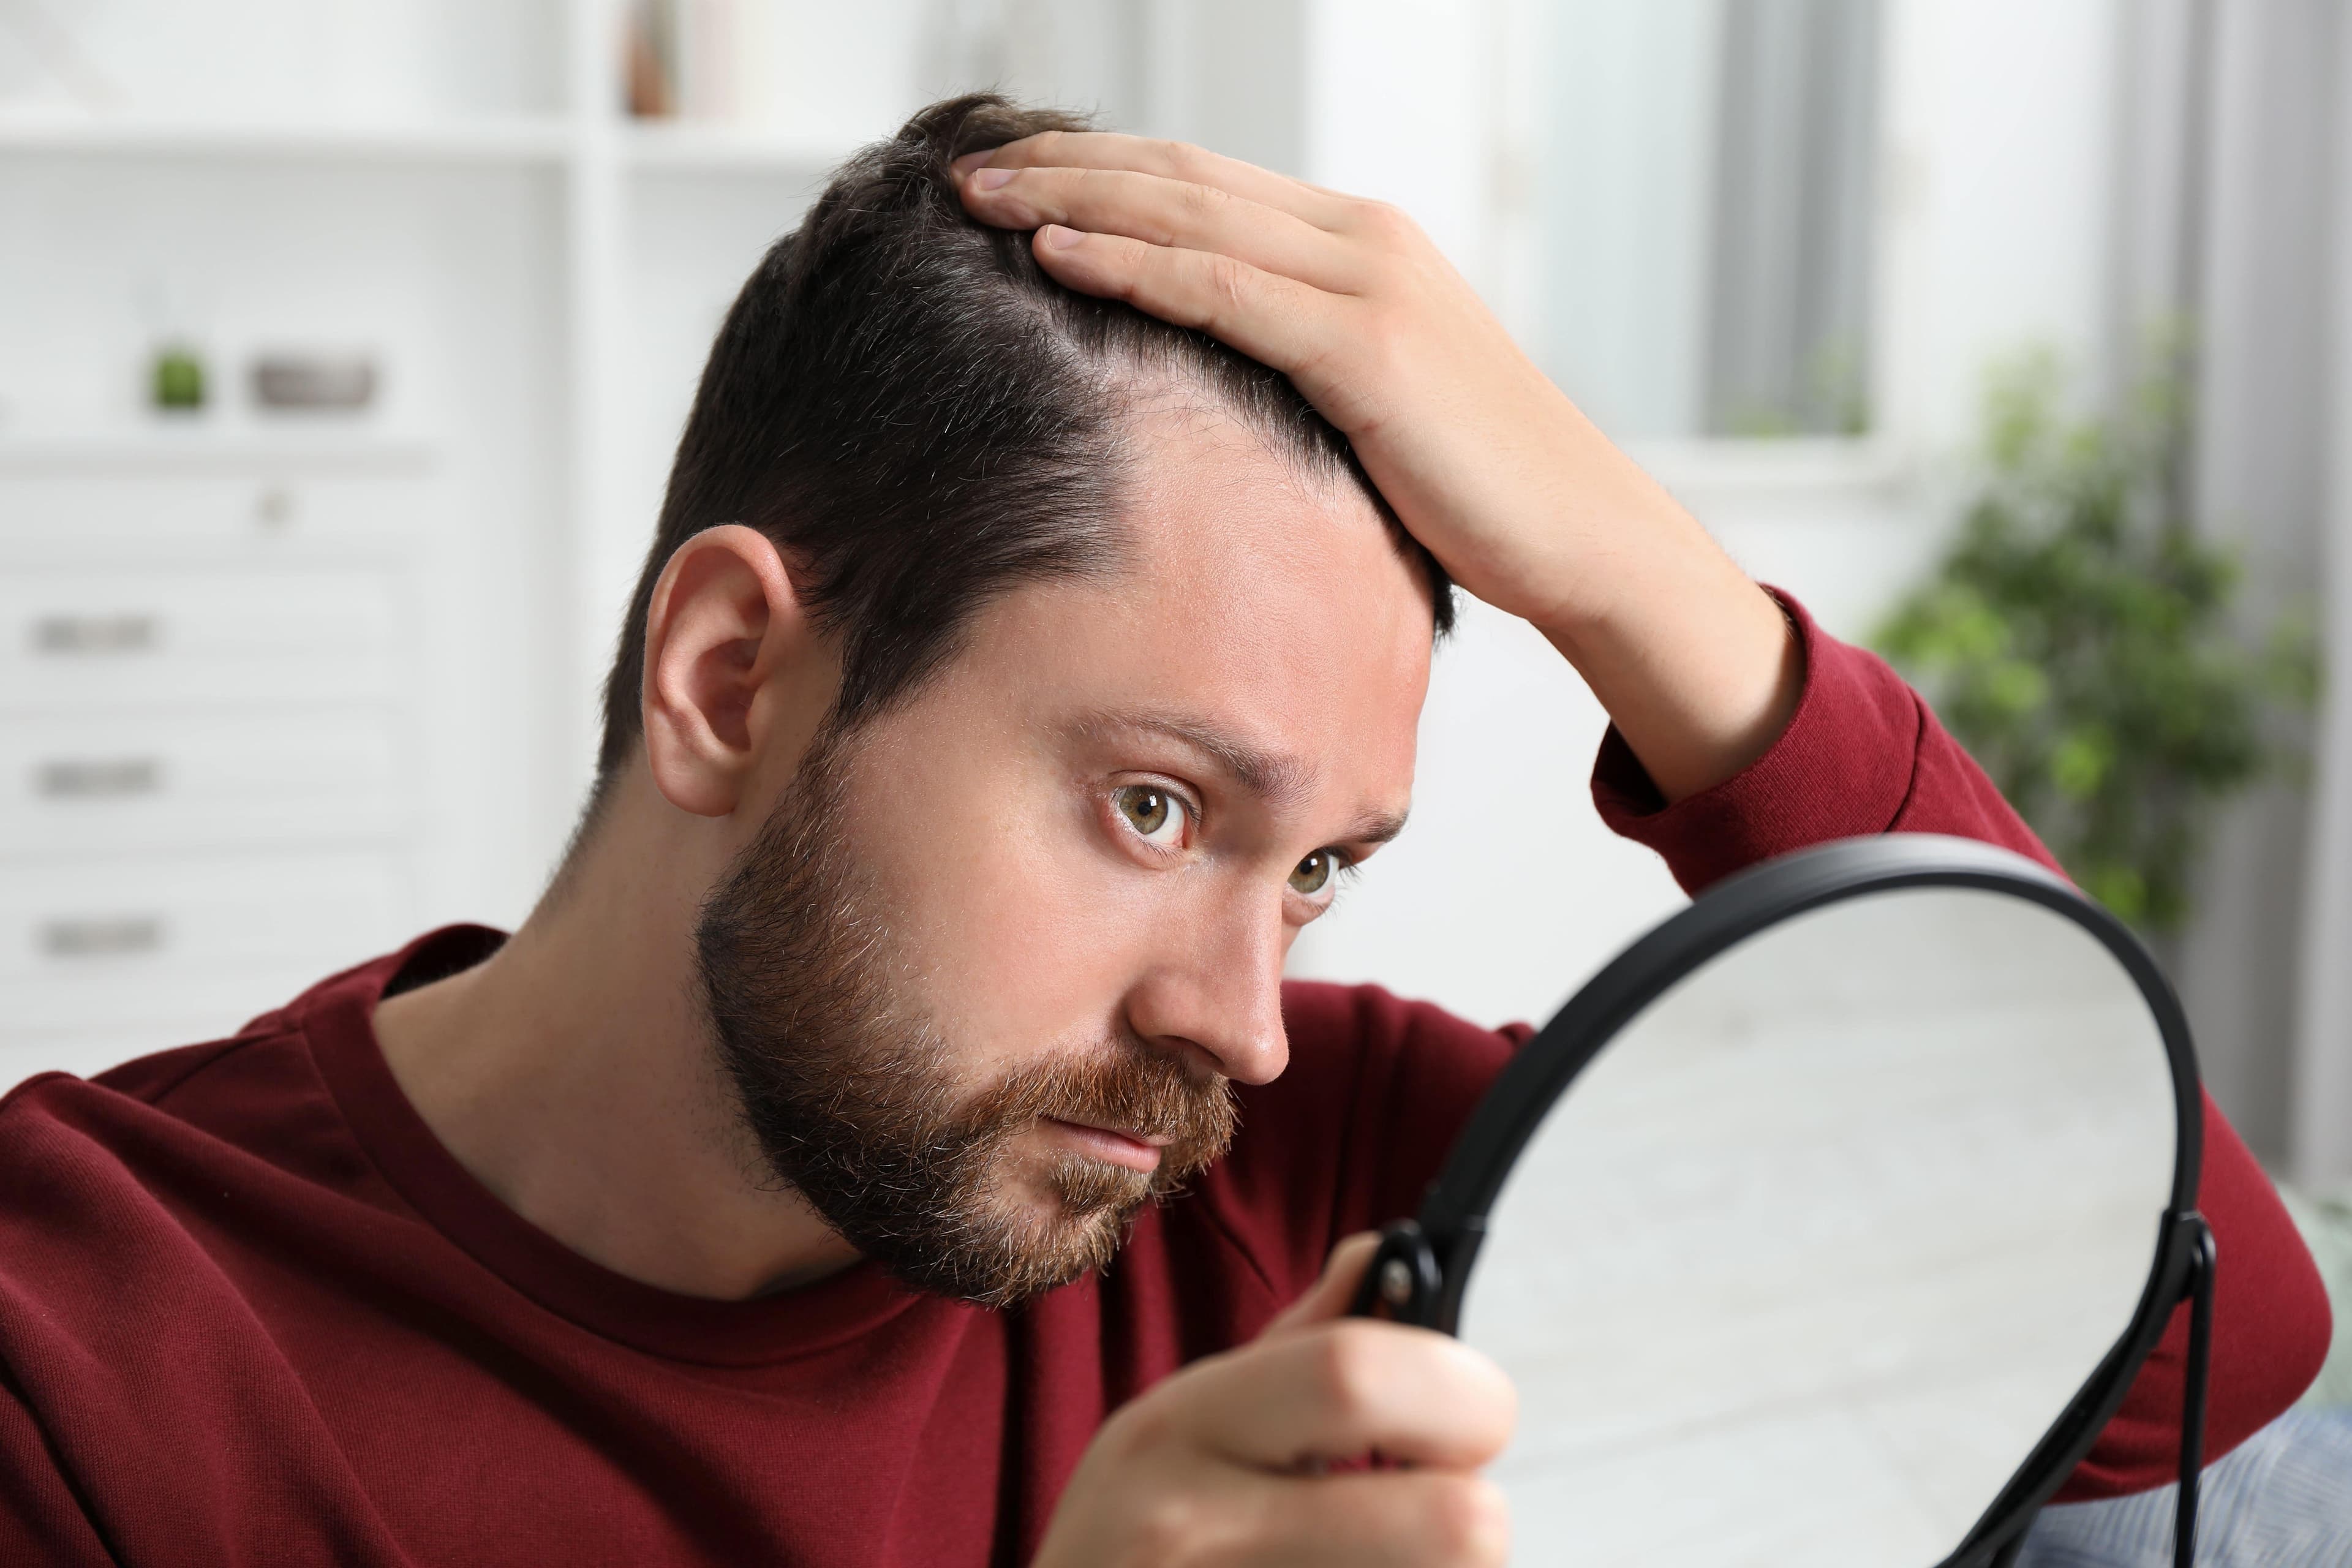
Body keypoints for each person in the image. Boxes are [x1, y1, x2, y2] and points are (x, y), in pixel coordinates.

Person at [0, 96, 2328, 1566]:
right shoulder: (90, 1354)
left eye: (1319, 869)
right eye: (1154, 805)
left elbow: (2191, 1341)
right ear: (731, 680)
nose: (1245, 1019)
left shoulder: (1300, 1200)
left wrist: (1648, 583)